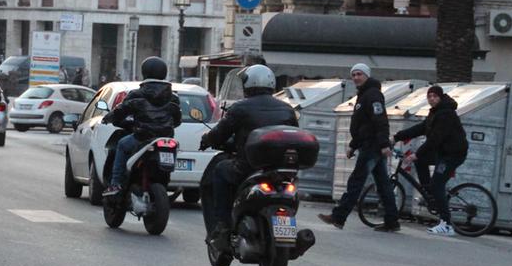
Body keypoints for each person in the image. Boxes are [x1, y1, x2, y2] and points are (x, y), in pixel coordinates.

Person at [198, 64, 298, 247]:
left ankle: (222, 225)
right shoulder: (287, 109)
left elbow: (220, 134)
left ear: (249, 84)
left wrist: (207, 139)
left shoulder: (240, 108)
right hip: (280, 170)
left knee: (220, 170)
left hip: (248, 167)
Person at [318, 63, 400, 232]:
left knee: (356, 181)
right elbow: (363, 125)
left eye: (359, 74)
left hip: (372, 146)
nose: (356, 77)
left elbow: (380, 120)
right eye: (353, 74)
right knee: (383, 184)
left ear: (367, 76)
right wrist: (353, 145)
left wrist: (384, 144)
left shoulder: (373, 95)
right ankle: (392, 221)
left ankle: (339, 216)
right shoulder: (363, 95)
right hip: (367, 144)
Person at [393, 85, 468, 237]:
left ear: (440, 97)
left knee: (438, 183)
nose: (432, 99)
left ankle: (446, 224)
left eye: (435, 96)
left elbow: (435, 139)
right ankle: (430, 193)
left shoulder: (446, 113)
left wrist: (416, 154)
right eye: (429, 96)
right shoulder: (434, 113)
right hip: (443, 152)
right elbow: (421, 128)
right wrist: (397, 136)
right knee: (421, 163)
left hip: (453, 154)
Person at [100, 57, 181, 196]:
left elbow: (121, 110)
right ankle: (163, 183)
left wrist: (108, 118)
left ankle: (116, 184)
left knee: (121, 145)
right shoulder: (173, 97)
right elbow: (177, 120)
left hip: (142, 137)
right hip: (166, 138)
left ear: (145, 72)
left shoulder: (137, 94)